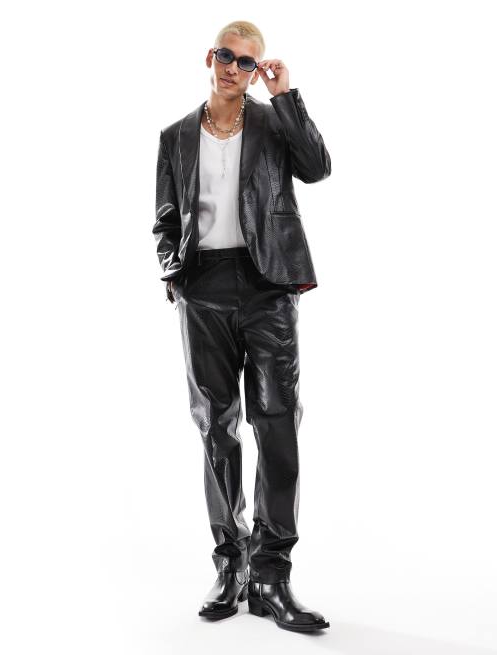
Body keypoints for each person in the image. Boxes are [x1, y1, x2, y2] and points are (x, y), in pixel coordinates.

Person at [152, 20, 331, 632]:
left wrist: (286, 97)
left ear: (258, 70)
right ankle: (231, 564)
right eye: (226, 56)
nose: (234, 68)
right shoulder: (175, 136)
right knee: (215, 426)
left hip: (268, 286)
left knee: (277, 422)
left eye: (247, 62)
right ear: (210, 57)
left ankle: (272, 575)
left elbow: (317, 167)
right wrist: (175, 278)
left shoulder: (274, 123)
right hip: (201, 288)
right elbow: (165, 218)